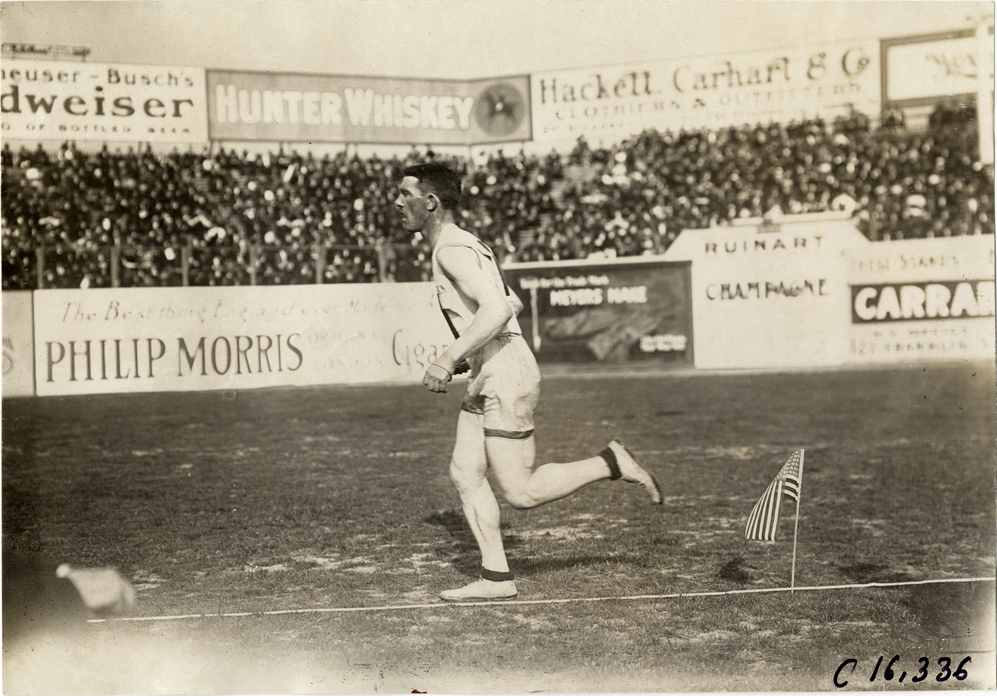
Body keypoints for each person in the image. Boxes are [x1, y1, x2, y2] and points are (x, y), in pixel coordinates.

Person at [394, 162, 662, 601]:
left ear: (431, 202)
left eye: (405, 194)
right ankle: (496, 578)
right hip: (491, 369)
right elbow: (510, 301)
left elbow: (498, 310)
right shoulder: (460, 243)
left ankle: (611, 462)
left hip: (506, 373)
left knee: (521, 492)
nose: (397, 202)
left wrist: (447, 358)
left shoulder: (451, 249)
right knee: (465, 472)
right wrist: (475, 352)